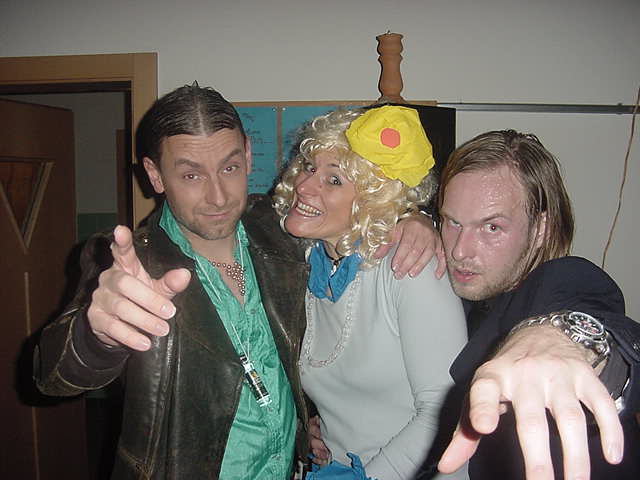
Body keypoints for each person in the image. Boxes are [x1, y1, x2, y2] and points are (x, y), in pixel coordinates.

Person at [33, 84, 438, 479]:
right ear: (155, 175)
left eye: (229, 168)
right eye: (191, 176)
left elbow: (357, 209)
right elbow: (51, 375)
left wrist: (414, 218)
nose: (218, 197)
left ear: (247, 154)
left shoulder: (282, 230)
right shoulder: (126, 261)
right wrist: (96, 337)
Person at [272, 106, 468, 480]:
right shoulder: (303, 263)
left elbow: (445, 409)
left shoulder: (409, 268)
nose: (304, 186)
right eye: (309, 167)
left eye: (333, 180)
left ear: (372, 201)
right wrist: (309, 427)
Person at [434, 130, 640, 479]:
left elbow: (588, 307)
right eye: (453, 222)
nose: (459, 250)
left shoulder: (564, 279)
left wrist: (559, 338)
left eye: (492, 227)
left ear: (540, 229)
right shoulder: (475, 296)